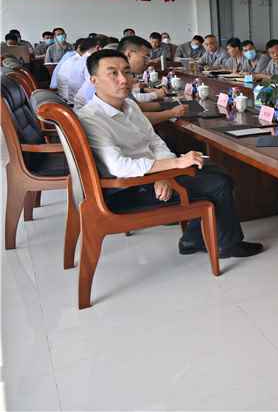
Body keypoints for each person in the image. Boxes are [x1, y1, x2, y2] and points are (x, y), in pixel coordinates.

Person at [77, 49, 263, 259]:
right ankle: (225, 244)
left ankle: (193, 239)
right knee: (217, 183)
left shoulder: (129, 106)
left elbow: (154, 141)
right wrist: (172, 166)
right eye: (113, 73)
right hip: (126, 190)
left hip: (146, 177)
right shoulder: (91, 118)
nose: (123, 79)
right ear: (94, 80)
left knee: (213, 168)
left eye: (127, 72)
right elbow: (119, 167)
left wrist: (165, 172)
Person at [74, 36, 185, 125]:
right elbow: (136, 119)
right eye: (145, 57)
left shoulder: (124, 77)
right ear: (129, 54)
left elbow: (135, 106)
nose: (148, 62)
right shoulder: (108, 79)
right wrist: (171, 113)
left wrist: (167, 104)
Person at [53, 37, 100, 103]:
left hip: (66, 98)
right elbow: (94, 86)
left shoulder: (78, 59)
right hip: (76, 103)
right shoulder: (88, 61)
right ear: (98, 48)